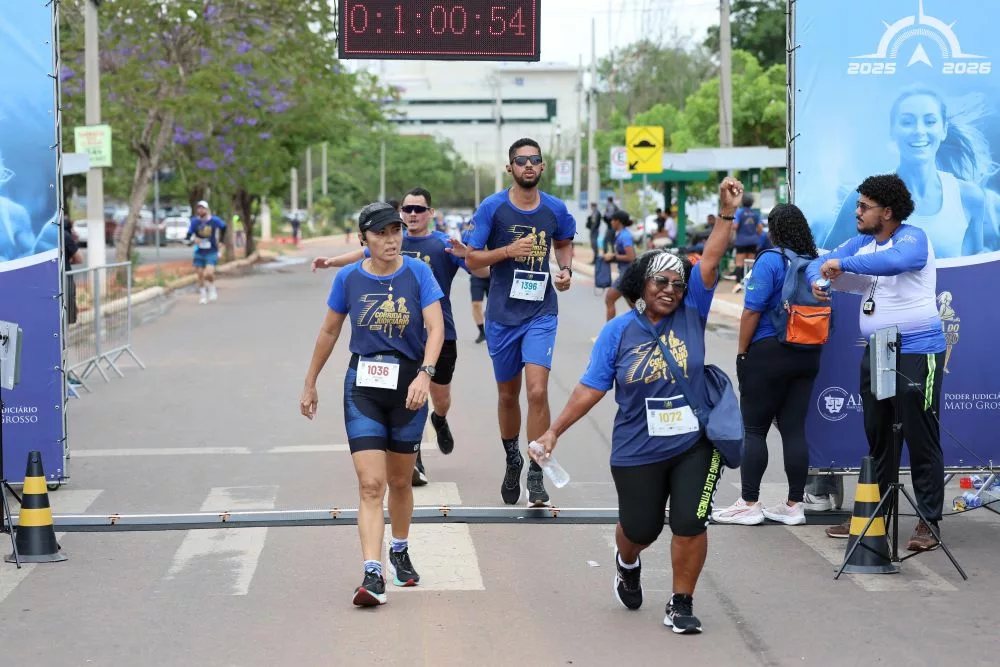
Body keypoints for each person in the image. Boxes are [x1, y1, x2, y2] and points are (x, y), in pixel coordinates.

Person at [533, 177, 744, 634]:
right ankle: (626, 563)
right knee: (641, 529)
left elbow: (710, 260)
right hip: (636, 446)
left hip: (694, 441)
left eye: (678, 284)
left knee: (690, 521)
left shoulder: (693, 313)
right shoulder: (618, 332)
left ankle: (681, 602)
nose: (671, 289)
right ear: (642, 285)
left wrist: (726, 214)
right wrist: (554, 431)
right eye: (661, 282)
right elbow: (591, 387)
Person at [300, 202, 444, 606]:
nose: (391, 239)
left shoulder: (418, 272)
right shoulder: (347, 278)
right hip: (363, 386)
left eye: (395, 230)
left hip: (409, 387)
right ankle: (372, 572)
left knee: (400, 481)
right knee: (370, 484)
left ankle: (399, 547)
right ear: (364, 239)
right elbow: (329, 332)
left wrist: (425, 374)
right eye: (381, 233)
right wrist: (310, 383)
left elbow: (436, 327)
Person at [312, 188, 489, 485]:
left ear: (430, 213)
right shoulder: (389, 240)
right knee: (406, 398)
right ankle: (413, 459)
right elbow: (361, 253)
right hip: (400, 339)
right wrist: (331, 262)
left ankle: (440, 419)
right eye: (408, 209)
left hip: (439, 332)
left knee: (440, 397)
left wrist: (469, 255)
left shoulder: (444, 244)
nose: (413, 214)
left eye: (419, 209)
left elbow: (481, 272)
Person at [808, 174, 947, 551]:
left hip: (918, 351)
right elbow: (819, 263)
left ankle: (928, 522)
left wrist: (841, 264)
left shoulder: (911, 237)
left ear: (887, 212)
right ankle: (873, 517)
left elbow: (900, 261)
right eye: (858, 204)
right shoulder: (862, 243)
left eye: (864, 206)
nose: (857, 212)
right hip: (879, 350)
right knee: (879, 437)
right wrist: (822, 279)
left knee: (921, 439)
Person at [466, 138, 576, 507]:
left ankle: (535, 468)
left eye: (534, 160)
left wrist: (565, 269)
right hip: (501, 315)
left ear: (542, 167)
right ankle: (512, 457)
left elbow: (564, 242)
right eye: (520, 160)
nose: (528, 165)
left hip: (540, 312)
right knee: (508, 395)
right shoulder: (492, 209)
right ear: (509, 167)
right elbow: (473, 260)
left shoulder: (555, 209)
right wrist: (508, 251)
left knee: (537, 391)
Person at [712, 204, 823, 526]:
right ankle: (794, 505)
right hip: (808, 353)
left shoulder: (771, 261)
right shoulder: (815, 265)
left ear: (774, 230)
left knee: (755, 428)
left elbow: (751, 311)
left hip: (769, 352)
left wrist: (742, 353)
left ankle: (749, 502)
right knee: (793, 429)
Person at [820, 86, 1000, 257]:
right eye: (907, 122)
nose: (919, 131)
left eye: (930, 121)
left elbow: (971, 272)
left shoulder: (969, 198)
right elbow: (824, 264)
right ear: (892, 131)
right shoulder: (863, 198)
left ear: (943, 130)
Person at [185, 200, 227, 305]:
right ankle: (203, 295)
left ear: (207, 209)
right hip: (199, 251)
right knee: (199, 274)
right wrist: (192, 240)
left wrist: (221, 241)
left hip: (211, 250)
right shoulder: (195, 222)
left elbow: (224, 227)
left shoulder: (214, 220)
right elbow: (188, 236)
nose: (200, 210)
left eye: (202, 208)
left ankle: (212, 287)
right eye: (199, 208)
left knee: (208, 273)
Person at [603, 209, 636, 321]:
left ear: (618, 221)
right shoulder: (621, 234)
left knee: (609, 299)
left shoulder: (625, 236)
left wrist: (613, 256)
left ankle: (609, 334)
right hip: (627, 273)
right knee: (634, 305)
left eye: (613, 220)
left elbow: (631, 257)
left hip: (627, 275)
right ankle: (649, 329)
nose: (611, 222)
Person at [462, 220, 489, 344]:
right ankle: (481, 331)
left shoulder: (494, 230)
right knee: (476, 304)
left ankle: (491, 329)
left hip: (493, 274)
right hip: (477, 275)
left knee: (492, 306)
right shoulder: (471, 233)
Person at [731, 193, 762, 293]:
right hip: (753, 241)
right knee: (750, 263)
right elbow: (760, 228)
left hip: (741, 241)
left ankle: (738, 284)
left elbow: (735, 226)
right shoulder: (755, 214)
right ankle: (749, 285)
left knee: (739, 263)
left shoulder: (739, 212)